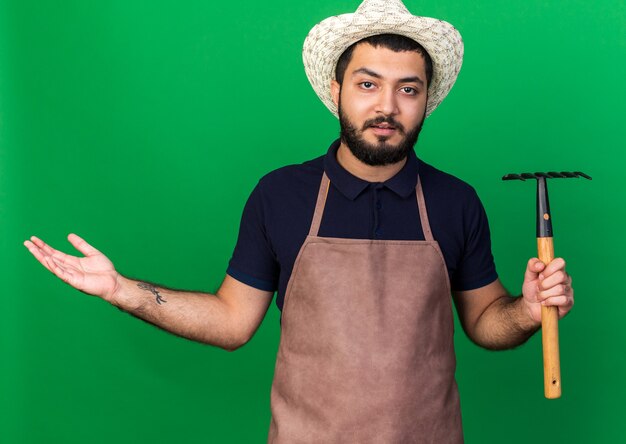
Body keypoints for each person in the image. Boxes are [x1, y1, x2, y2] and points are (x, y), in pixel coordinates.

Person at [24, 0, 574, 442]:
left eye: (408, 89)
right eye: (367, 83)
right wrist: (124, 290)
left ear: (426, 100)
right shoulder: (281, 195)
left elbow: (485, 323)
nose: (387, 105)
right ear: (335, 90)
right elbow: (231, 322)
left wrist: (527, 311)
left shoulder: (456, 202)